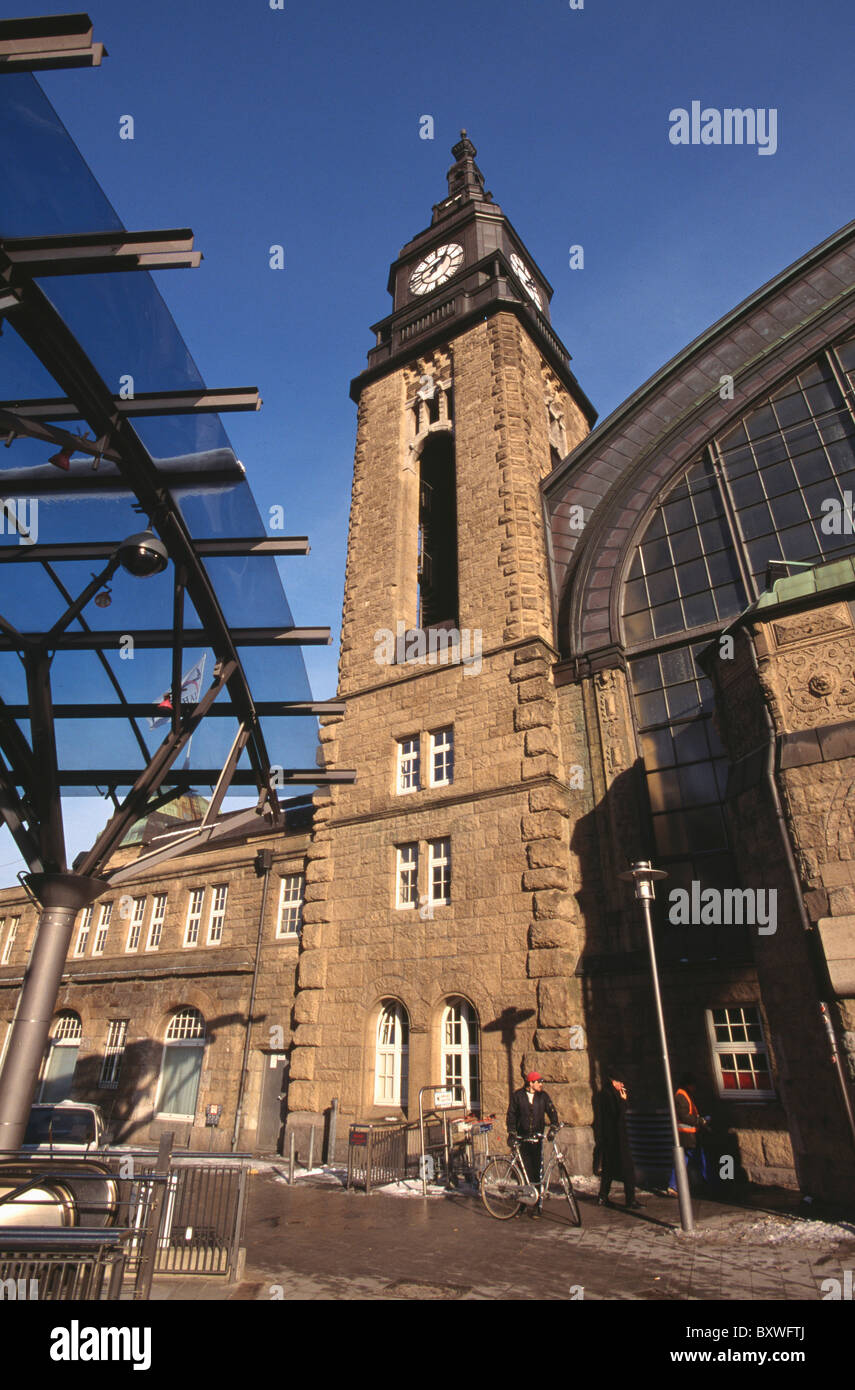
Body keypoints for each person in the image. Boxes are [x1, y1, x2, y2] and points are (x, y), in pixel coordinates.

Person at [506, 1071, 559, 1218]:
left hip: (536, 1139)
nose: (541, 1084)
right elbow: (511, 1115)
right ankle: (522, 1204)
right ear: (531, 1083)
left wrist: (554, 1125)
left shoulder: (543, 1097)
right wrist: (512, 1132)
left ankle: (537, 1205)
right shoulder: (518, 1096)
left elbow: (552, 1111)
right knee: (523, 1173)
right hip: (522, 1139)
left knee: (536, 1172)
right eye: (538, 1082)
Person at [594, 1065, 640, 1209]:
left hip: (612, 1138)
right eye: (620, 1082)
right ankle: (630, 1199)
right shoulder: (609, 1095)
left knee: (609, 1168)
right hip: (616, 1138)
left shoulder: (606, 1094)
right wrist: (623, 1101)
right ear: (614, 1082)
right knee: (627, 1168)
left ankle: (603, 1196)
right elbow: (618, 1115)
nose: (622, 1085)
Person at [668, 1072, 708, 1194]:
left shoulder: (685, 1095)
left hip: (687, 1134)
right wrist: (699, 1121)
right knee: (699, 1160)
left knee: (683, 1161)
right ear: (688, 1084)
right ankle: (705, 1183)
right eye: (693, 1085)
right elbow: (684, 1116)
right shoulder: (681, 1096)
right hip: (687, 1135)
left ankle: (673, 1186)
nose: (694, 1088)